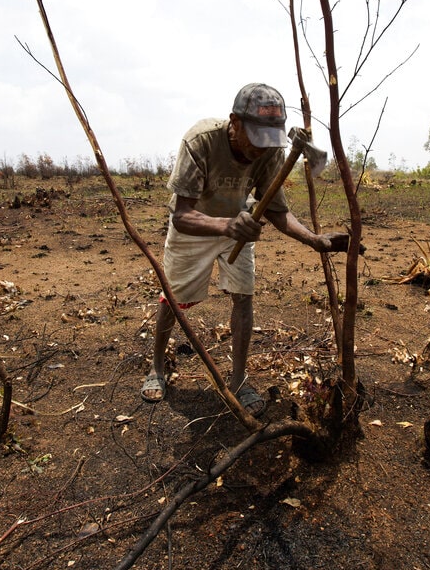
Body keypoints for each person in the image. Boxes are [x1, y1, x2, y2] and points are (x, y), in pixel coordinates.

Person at [141, 82, 349, 416]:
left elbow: (277, 212)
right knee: (175, 297)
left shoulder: (268, 150)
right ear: (234, 123)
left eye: (269, 141)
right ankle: (157, 368)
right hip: (196, 224)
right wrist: (225, 225)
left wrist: (315, 240)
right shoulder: (201, 141)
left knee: (243, 295)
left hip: (240, 221)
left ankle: (238, 380)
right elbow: (181, 215)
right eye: (255, 138)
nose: (260, 149)